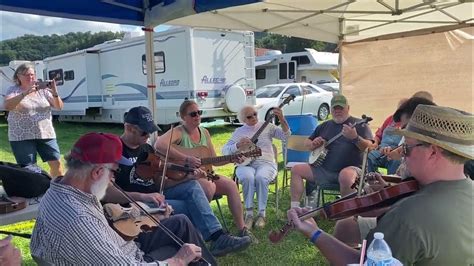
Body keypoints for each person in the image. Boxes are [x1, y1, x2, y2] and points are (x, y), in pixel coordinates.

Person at [288, 104, 474, 265]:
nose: (401, 154)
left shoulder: (408, 216)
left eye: (407, 148)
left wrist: (315, 233)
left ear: (433, 152)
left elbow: (360, 264)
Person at [30, 132, 217, 265]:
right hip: (133, 259)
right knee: (186, 252)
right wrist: (177, 261)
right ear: (96, 172)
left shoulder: (62, 188)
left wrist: (146, 215)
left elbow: (102, 229)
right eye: (114, 171)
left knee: (180, 223)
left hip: (122, 246)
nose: (114, 178)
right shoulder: (78, 219)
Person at [113, 106, 251, 257]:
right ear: (128, 128)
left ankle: (217, 237)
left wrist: (187, 178)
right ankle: (203, 246)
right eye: (144, 132)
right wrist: (144, 197)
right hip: (134, 204)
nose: (148, 136)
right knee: (192, 207)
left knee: (192, 187)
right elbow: (109, 192)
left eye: (150, 131)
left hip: (157, 197)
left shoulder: (146, 148)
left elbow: (160, 184)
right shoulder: (115, 151)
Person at [156, 101, 249, 237]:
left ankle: (243, 229)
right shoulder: (178, 132)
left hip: (205, 175)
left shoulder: (204, 132)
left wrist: (232, 158)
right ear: (183, 117)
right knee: (208, 186)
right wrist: (186, 158)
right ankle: (201, 232)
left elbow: (214, 160)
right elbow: (159, 145)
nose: (197, 116)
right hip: (185, 177)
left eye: (199, 113)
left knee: (230, 185)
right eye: (193, 114)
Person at [289, 94, 373, 205]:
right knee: (296, 169)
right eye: (335, 108)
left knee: (345, 175)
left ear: (348, 108)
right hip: (324, 170)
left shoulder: (359, 125)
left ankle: (347, 213)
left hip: (352, 170)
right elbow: (307, 143)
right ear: (331, 110)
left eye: (341, 108)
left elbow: (370, 148)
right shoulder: (324, 126)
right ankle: (295, 210)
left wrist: (355, 138)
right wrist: (313, 144)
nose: (338, 111)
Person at [222, 105, 290, 229]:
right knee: (247, 177)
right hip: (245, 163)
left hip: (266, 163)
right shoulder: (239, 132)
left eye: (255, 114)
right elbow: (225, 151)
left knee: (261, 177)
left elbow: (286, 136)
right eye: (249, 116)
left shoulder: (267, 126)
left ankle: (261, 214)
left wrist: (282, 119)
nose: (253, 117)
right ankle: (249, 215)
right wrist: (237, 145)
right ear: (243, 120)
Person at [3, 63, 64, 177]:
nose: (30, 77)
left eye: (32, 74)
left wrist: (55, 93)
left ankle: (57, 189)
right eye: (26, 75)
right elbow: (7, 106)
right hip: (21, 136)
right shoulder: (13, 90)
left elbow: (59, 107)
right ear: (18, 77)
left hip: (46, 134)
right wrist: (25, 93)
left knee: (56, 163)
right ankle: (34, 192)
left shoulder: (43, 90)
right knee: (29, 168)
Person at [367, 98, 406, 174]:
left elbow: (405, 144)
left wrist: (394, 151)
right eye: (399, 110)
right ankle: (372, 180)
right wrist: (375, 143)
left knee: (397, 161)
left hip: (396, 152)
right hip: (381, 151)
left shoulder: (407, 123)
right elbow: (378, 135)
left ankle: (390, 183)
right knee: (370, 156)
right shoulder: (390, 119)